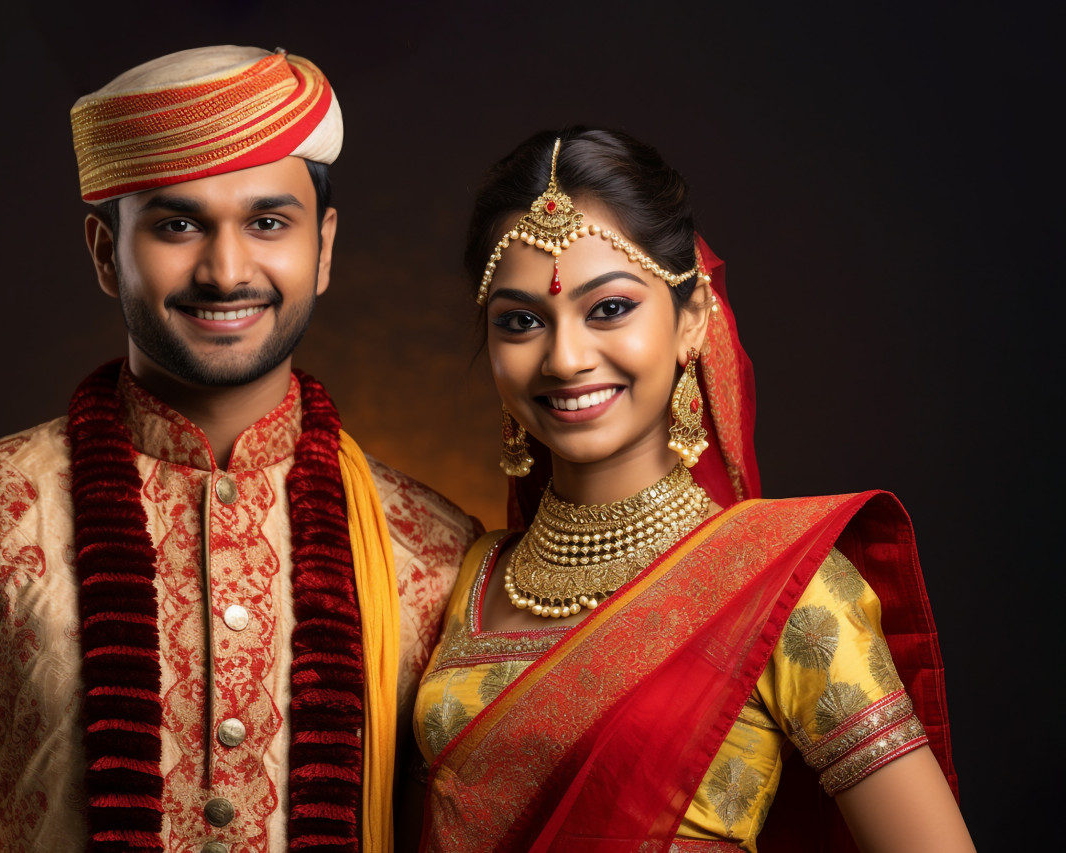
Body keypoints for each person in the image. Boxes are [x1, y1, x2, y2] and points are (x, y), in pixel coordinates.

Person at [0, 46, 479, 853]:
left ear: (326, 246)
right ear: (104, 251)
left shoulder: (439, 555)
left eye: (268, 222)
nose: (227, 269)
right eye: (177, 224)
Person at [409, 129, 974, 851]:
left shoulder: (784, 588)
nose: (566, 356)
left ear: (692, 320)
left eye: (609, 307)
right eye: (520, 321)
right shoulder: (468, 575)